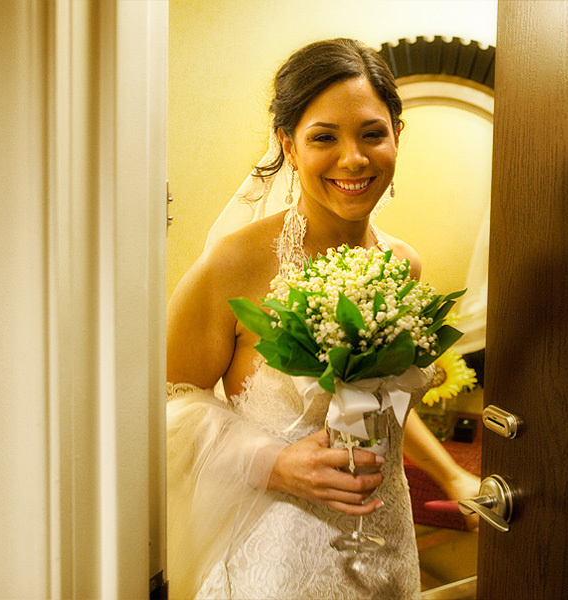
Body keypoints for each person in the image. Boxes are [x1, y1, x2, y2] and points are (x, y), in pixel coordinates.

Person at [166, 38, 478, 599]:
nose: (352, 159)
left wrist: (451, 474)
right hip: (274, 562)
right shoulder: (233, 265)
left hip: (383, 544)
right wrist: (274, 462)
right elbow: (161, 408)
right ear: (288, 144)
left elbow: (376, 404)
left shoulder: (402, 265)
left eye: (372, 133)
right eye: (323, 138)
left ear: (398, 136)